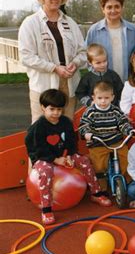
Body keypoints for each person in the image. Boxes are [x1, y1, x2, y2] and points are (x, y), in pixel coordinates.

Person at [25, 89, 112, 225]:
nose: (55, 113)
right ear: (43, 107)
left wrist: (70, 155)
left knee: (83, 161)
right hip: (43, 157)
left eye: (59, 109)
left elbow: (72, 141)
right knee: (47, 171)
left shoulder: (65, 122)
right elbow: (38, 149)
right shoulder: (38, 127)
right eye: (51, 109)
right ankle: (47, 208)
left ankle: (96, 193)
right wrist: (55, 160)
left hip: (63, 155)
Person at [19, 0, 87, 122]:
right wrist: (54, 68)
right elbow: (26, 56)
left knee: (66, 126)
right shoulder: (30, 23)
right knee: (41, 128)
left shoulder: (70, 23)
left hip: (68, 85)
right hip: (43, 86)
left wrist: (75, 63)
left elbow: (83, 52)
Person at [78, 81, 135, 189]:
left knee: (127, 159)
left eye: (106, 98)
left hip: (115, 141)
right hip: (98, 142)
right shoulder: (90, 112)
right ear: (93, 98)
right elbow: (83, 125)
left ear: (112, 97)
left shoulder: (116, 110)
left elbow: (123, 123)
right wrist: (87, 133)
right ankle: (101, 188)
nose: (103, 101)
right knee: (98, 166)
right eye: (99, 98)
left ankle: (128, 183)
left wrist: (129, 130)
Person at [86, 0, 135, 82]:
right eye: (109, 7)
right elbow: (86, 56)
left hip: (129, 83)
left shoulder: (132, 30)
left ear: (122, 7)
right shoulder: (94, 30)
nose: (113, 10)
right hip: (103, 86)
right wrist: (96, 76)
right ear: (103, 9)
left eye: (117, 6)